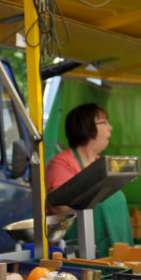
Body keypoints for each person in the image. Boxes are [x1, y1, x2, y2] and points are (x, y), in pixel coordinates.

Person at [45, 103, 133, 257]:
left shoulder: (103, 164)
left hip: (117, 249)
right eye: (104, 122)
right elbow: (59, 208)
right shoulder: (61, 164)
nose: (110, 127)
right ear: (86, 127)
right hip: (81, 252)